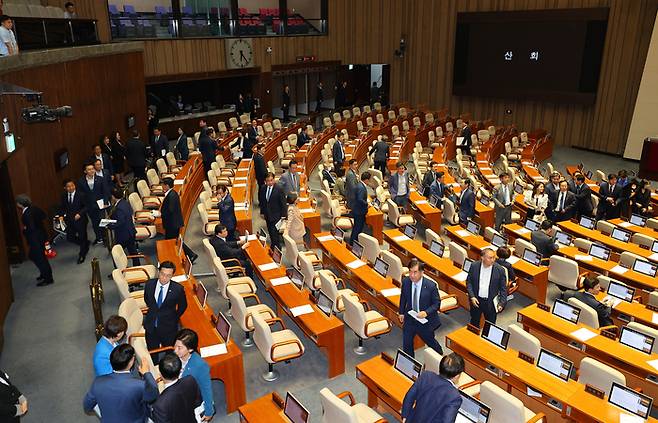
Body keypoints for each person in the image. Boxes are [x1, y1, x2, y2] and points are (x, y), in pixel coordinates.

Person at [83, 344, 158, 423]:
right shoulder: (140, 385)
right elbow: (153, 394)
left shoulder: (97, 382)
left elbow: (87, 407)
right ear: (131, 362)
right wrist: (147, 373)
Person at [401, 353, 464, 423]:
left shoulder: (426, 375)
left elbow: (410, 395)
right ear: (457, 376)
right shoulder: (454, 397)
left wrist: (405, 416)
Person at [398, 259, 443, 357]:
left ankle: (440, 358)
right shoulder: (406, 282)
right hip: (410, 318)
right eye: (410, 271)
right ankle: (410, 364)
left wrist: (426, 312)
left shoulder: (431, 286)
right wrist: (401, 312)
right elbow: (403, 297)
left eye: (415, 272)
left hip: (425, 320)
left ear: (422, 272)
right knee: (407, 344)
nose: (412, 275)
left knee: (431, 342)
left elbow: (437, 304)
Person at [144, 261, 187, 358]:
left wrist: (174, 317)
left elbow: (183, 306)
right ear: (158, 272)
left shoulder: (178, 289)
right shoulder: (149, 284)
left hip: (169, 328)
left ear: (172, 275)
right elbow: (147, 299)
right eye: (162, 274)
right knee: (152, 353)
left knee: (170, 354)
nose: (164, 278)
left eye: (168, 276)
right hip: (151, 327)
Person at [174, 329, 215, 421]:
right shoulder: (175, 357)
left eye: (179, 348)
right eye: (175, 346)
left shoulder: (200, 365)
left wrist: (209, 411)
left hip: (193, 402)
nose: (175, 350)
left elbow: (206, 389)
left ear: (190, 349)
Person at [150, 353, 202, 423]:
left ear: (160, 374)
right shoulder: (190, 380)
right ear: (180, 370)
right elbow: (198, 402)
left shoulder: (160, 404)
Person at [16, 195, 53, 286]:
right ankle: (43, 273)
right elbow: (43, 216)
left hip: (35, 239)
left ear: (20, 204)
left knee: (41, 259)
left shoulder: (26, 214)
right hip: (41, 236)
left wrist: (25, 229)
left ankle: (48, 279)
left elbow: (31, 228)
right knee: (33, 256)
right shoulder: (34, 208)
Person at [466, 248, 507, 327]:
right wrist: (472, 296)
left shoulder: (500, 270)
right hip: (476, 300)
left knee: (490, 325)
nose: (493, 260)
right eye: (490, 258)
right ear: (482, 257)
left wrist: (502, 303)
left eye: (494, 257)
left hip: (490, 303)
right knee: (474, 321)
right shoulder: (474, 266)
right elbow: (469, 282)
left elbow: (503, 289)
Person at [160, 178, 197, 262]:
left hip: (172, 224)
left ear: (167, 186)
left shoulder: (171, 195)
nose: (161, 186)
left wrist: (160, 214)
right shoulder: (172, 193)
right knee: (175, 240)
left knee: (171, 241)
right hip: (174, 223)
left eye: (162, 184)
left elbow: (170, 210)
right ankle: (191, 255)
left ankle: (176, 257)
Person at [78, 162, 110, 245]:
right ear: (85, 171)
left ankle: (105, 238)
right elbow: (81, 194)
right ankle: (99, 238)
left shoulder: (100, 179)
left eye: (92, 169)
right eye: (89, 169)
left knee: (102, 220)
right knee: (94, 222)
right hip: (89, 206)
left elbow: (105, 191)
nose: (91, 171)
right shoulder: (81, 181)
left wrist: (106, 202)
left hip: (101, 204)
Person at [58, 179, 89, 264]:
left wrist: (80, 213)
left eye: (72, 185)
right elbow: (61, 207)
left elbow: (86, 206)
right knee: (70, 237)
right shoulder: (63, 196)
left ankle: (82, 254)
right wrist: (61, 215)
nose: (71, 188)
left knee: (82, 236)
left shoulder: (81, 195)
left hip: (81, 220)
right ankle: (85, 244)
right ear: (65, 188)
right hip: (70, 221)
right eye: (68, 186)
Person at [107, 189, 139, 265]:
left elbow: (120, 222)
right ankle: (137, 266)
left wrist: (109, 226)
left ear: (113, 197)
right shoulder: (125, 203)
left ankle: (118, 270)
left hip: (123, 235)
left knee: (116, 253)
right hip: (130, 231)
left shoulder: (119, 208)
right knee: (133, 252)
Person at [258, 172, 286, 250]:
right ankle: (274, 246)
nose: (270, 182)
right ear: (265, 181)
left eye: (271, 180)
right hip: (267, 215)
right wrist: (262, 212)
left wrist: (284, 216)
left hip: (277, 215)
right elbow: (262, 202)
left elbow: (283, 203)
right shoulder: (263, 188)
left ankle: (276, 248)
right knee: (270, 231)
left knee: (275, 234)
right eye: (268, 181)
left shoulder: (279, 189)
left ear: (274, 179)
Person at [350, 171, 370, 245]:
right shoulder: (361, 187)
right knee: (357, 228)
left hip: (357, 210)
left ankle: (353, 242)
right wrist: (367, 204)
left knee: (357, 227)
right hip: (359, 211)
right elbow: (360, 199)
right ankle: (352, 243)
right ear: (367, 180)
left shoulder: (359, 184)